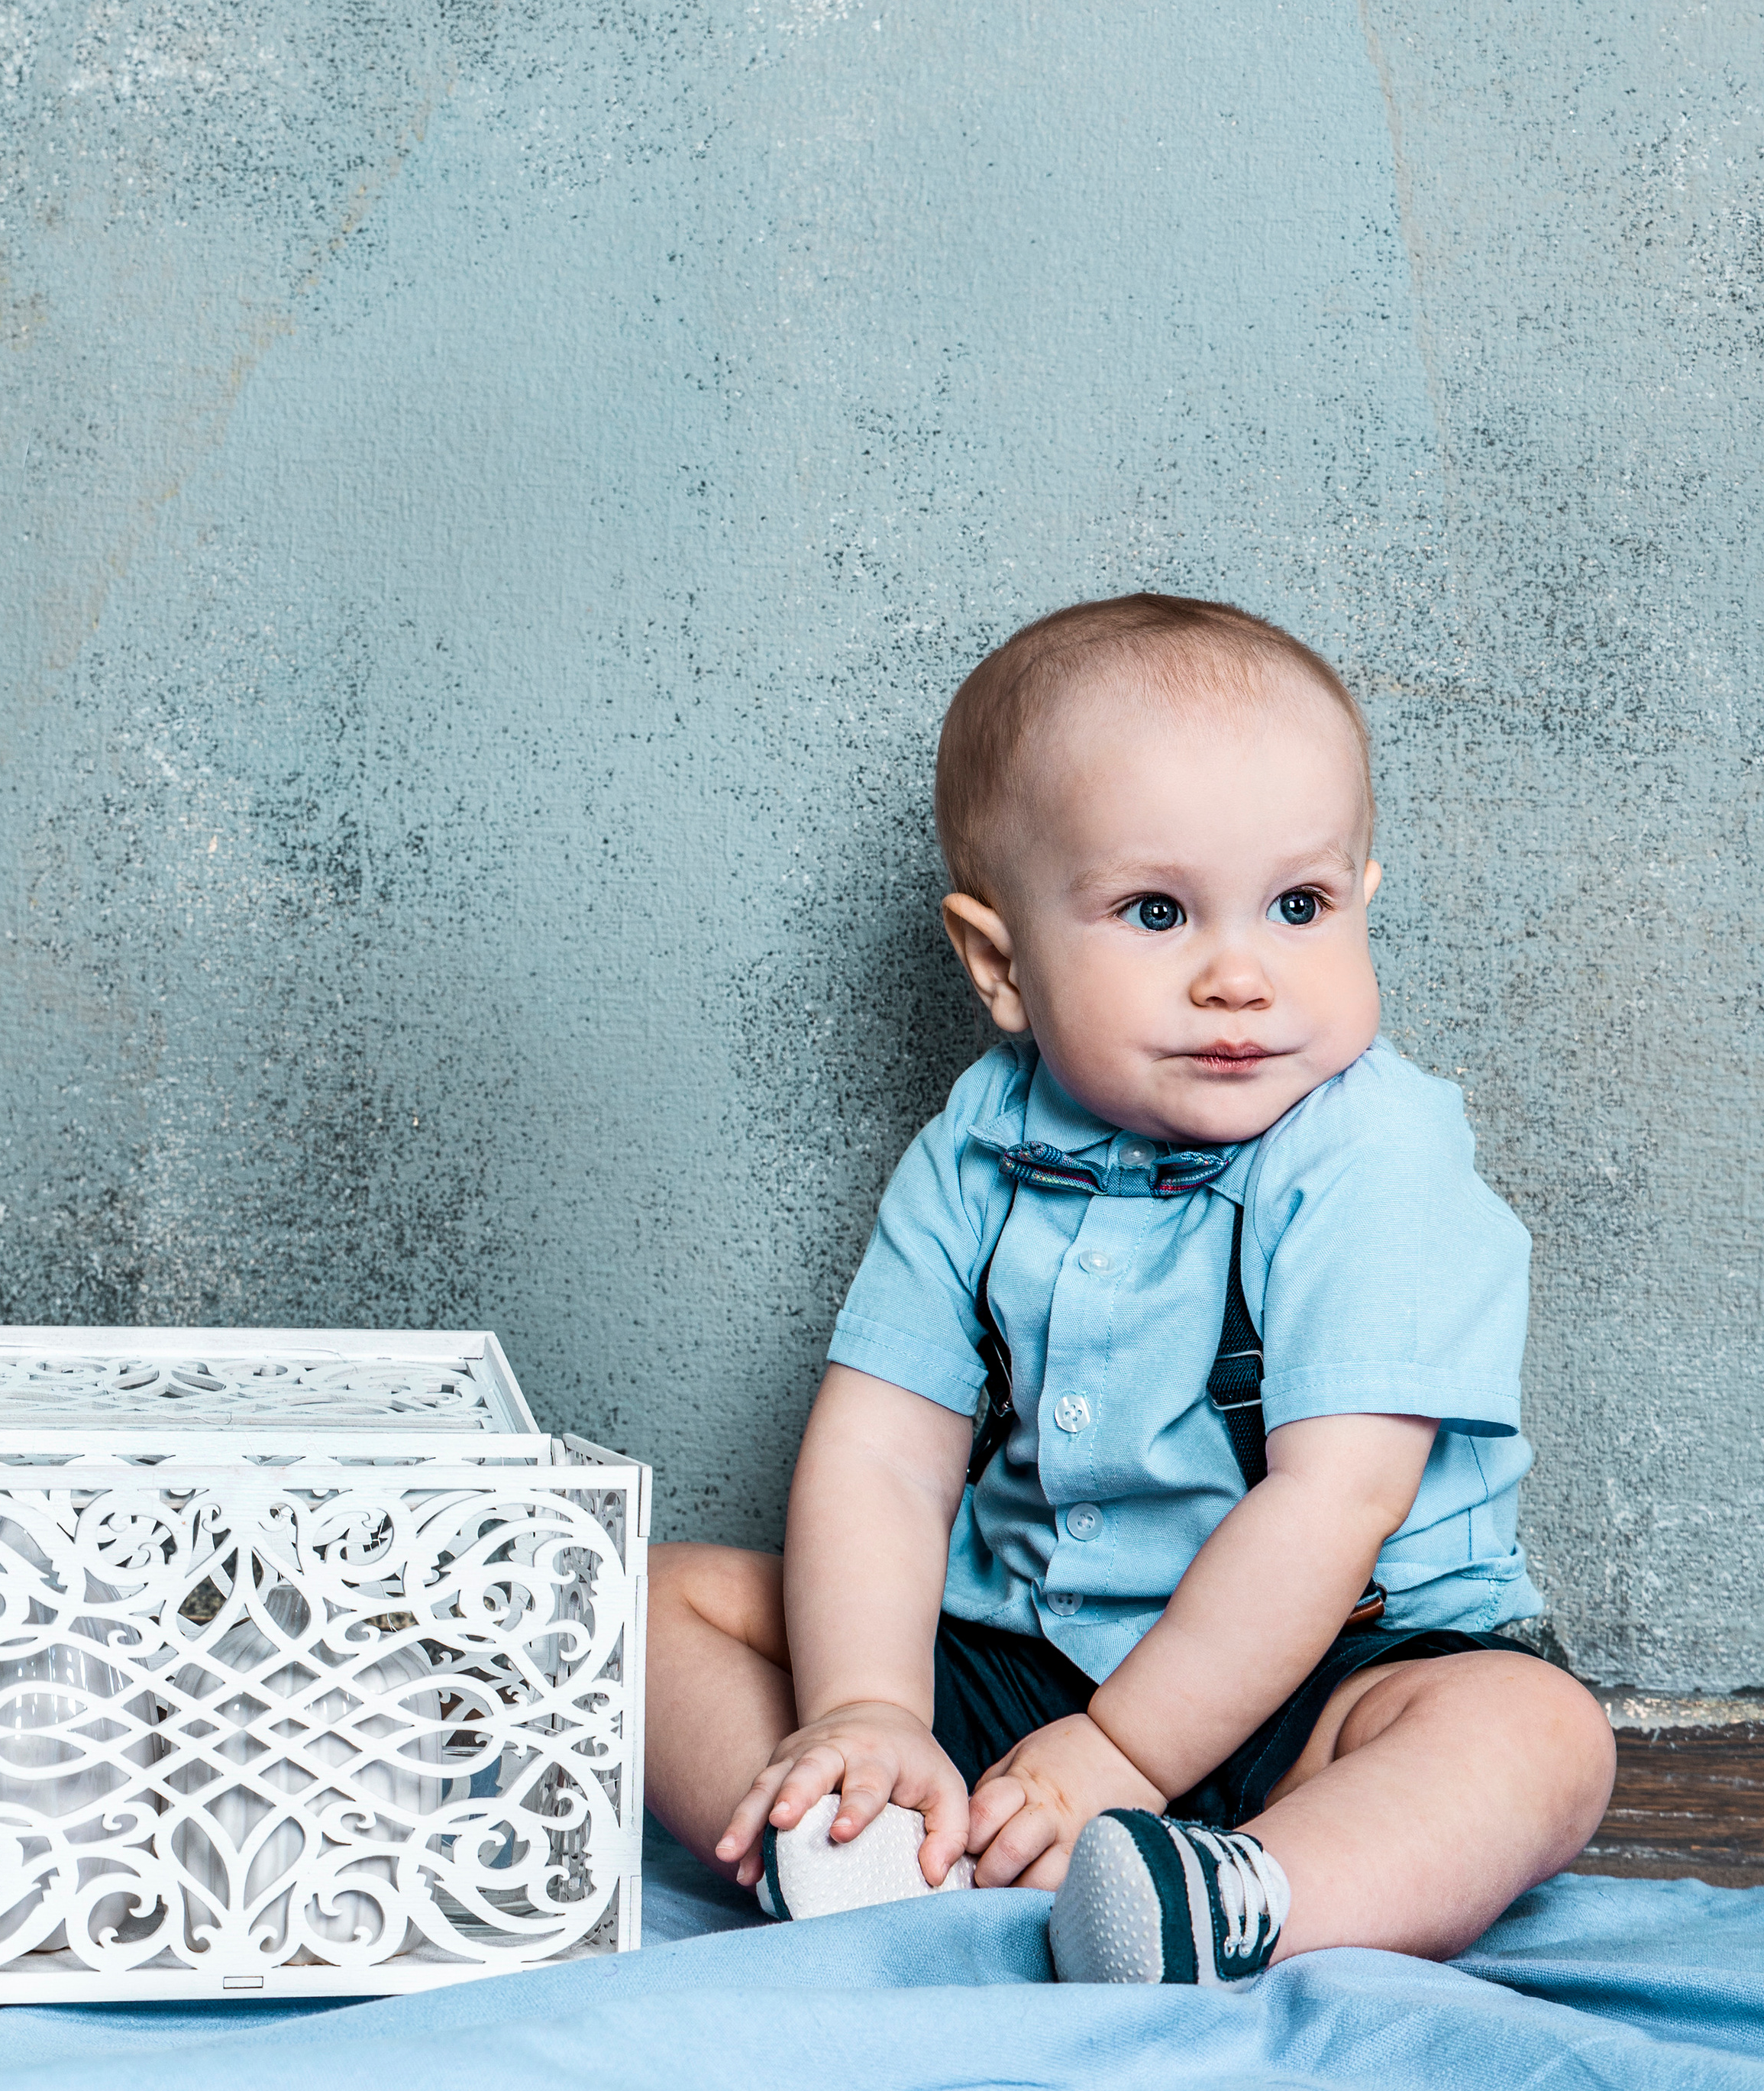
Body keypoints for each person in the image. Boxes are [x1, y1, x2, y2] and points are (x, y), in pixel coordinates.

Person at [646, 595, 1614, 1983]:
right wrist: (867, 1703)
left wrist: (1128, 1754)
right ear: (1000, 965)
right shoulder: (979, 1141)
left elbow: (1334, 1501)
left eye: (1300, 905)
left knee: (1537, 1741)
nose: (1240, 974)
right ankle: (861, 1829)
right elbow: (881, 1455)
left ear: (1362, 898)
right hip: (1034, 1649)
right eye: (1156, 913)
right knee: (651, 1604)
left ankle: (1245, 1894)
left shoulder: (1373, 1152)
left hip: (1324, 1680)